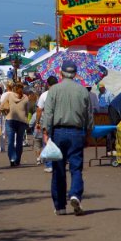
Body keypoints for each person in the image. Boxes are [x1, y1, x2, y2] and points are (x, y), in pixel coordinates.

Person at [42, 60, 94, 216]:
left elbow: (48, 113)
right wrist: (89, 135)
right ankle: (75, 194)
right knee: (76, 168)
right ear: (76, 74)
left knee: (58, 169)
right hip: (77, 133)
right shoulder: (83, 91)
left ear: (61, 73)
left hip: (58, 133)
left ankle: (60, 206)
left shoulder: (54, 90)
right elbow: (89, 116)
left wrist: (46, 132)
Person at [0, 82, 29, 167]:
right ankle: (17, 160)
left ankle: (12, 159)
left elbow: (1, 107)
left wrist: (6, 112)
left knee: (11, 141)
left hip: (10, 119)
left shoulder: (9, 95)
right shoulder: (25, 97)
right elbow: (27, 111)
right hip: (22, 121)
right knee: (19, 142)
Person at [35, 75, 58, 172]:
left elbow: (39, 110)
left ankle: (49, 165)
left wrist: (37, 122)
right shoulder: (60, 93)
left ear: (48, 84)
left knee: (47, 140)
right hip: (59, 119)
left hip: (47, 120)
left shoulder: (44, 95)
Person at [106, 90, 121, 156]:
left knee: (115, 128)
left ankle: (114, 148)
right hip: (115, 108)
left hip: (115, 108)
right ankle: (111, 149)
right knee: (114, 128)